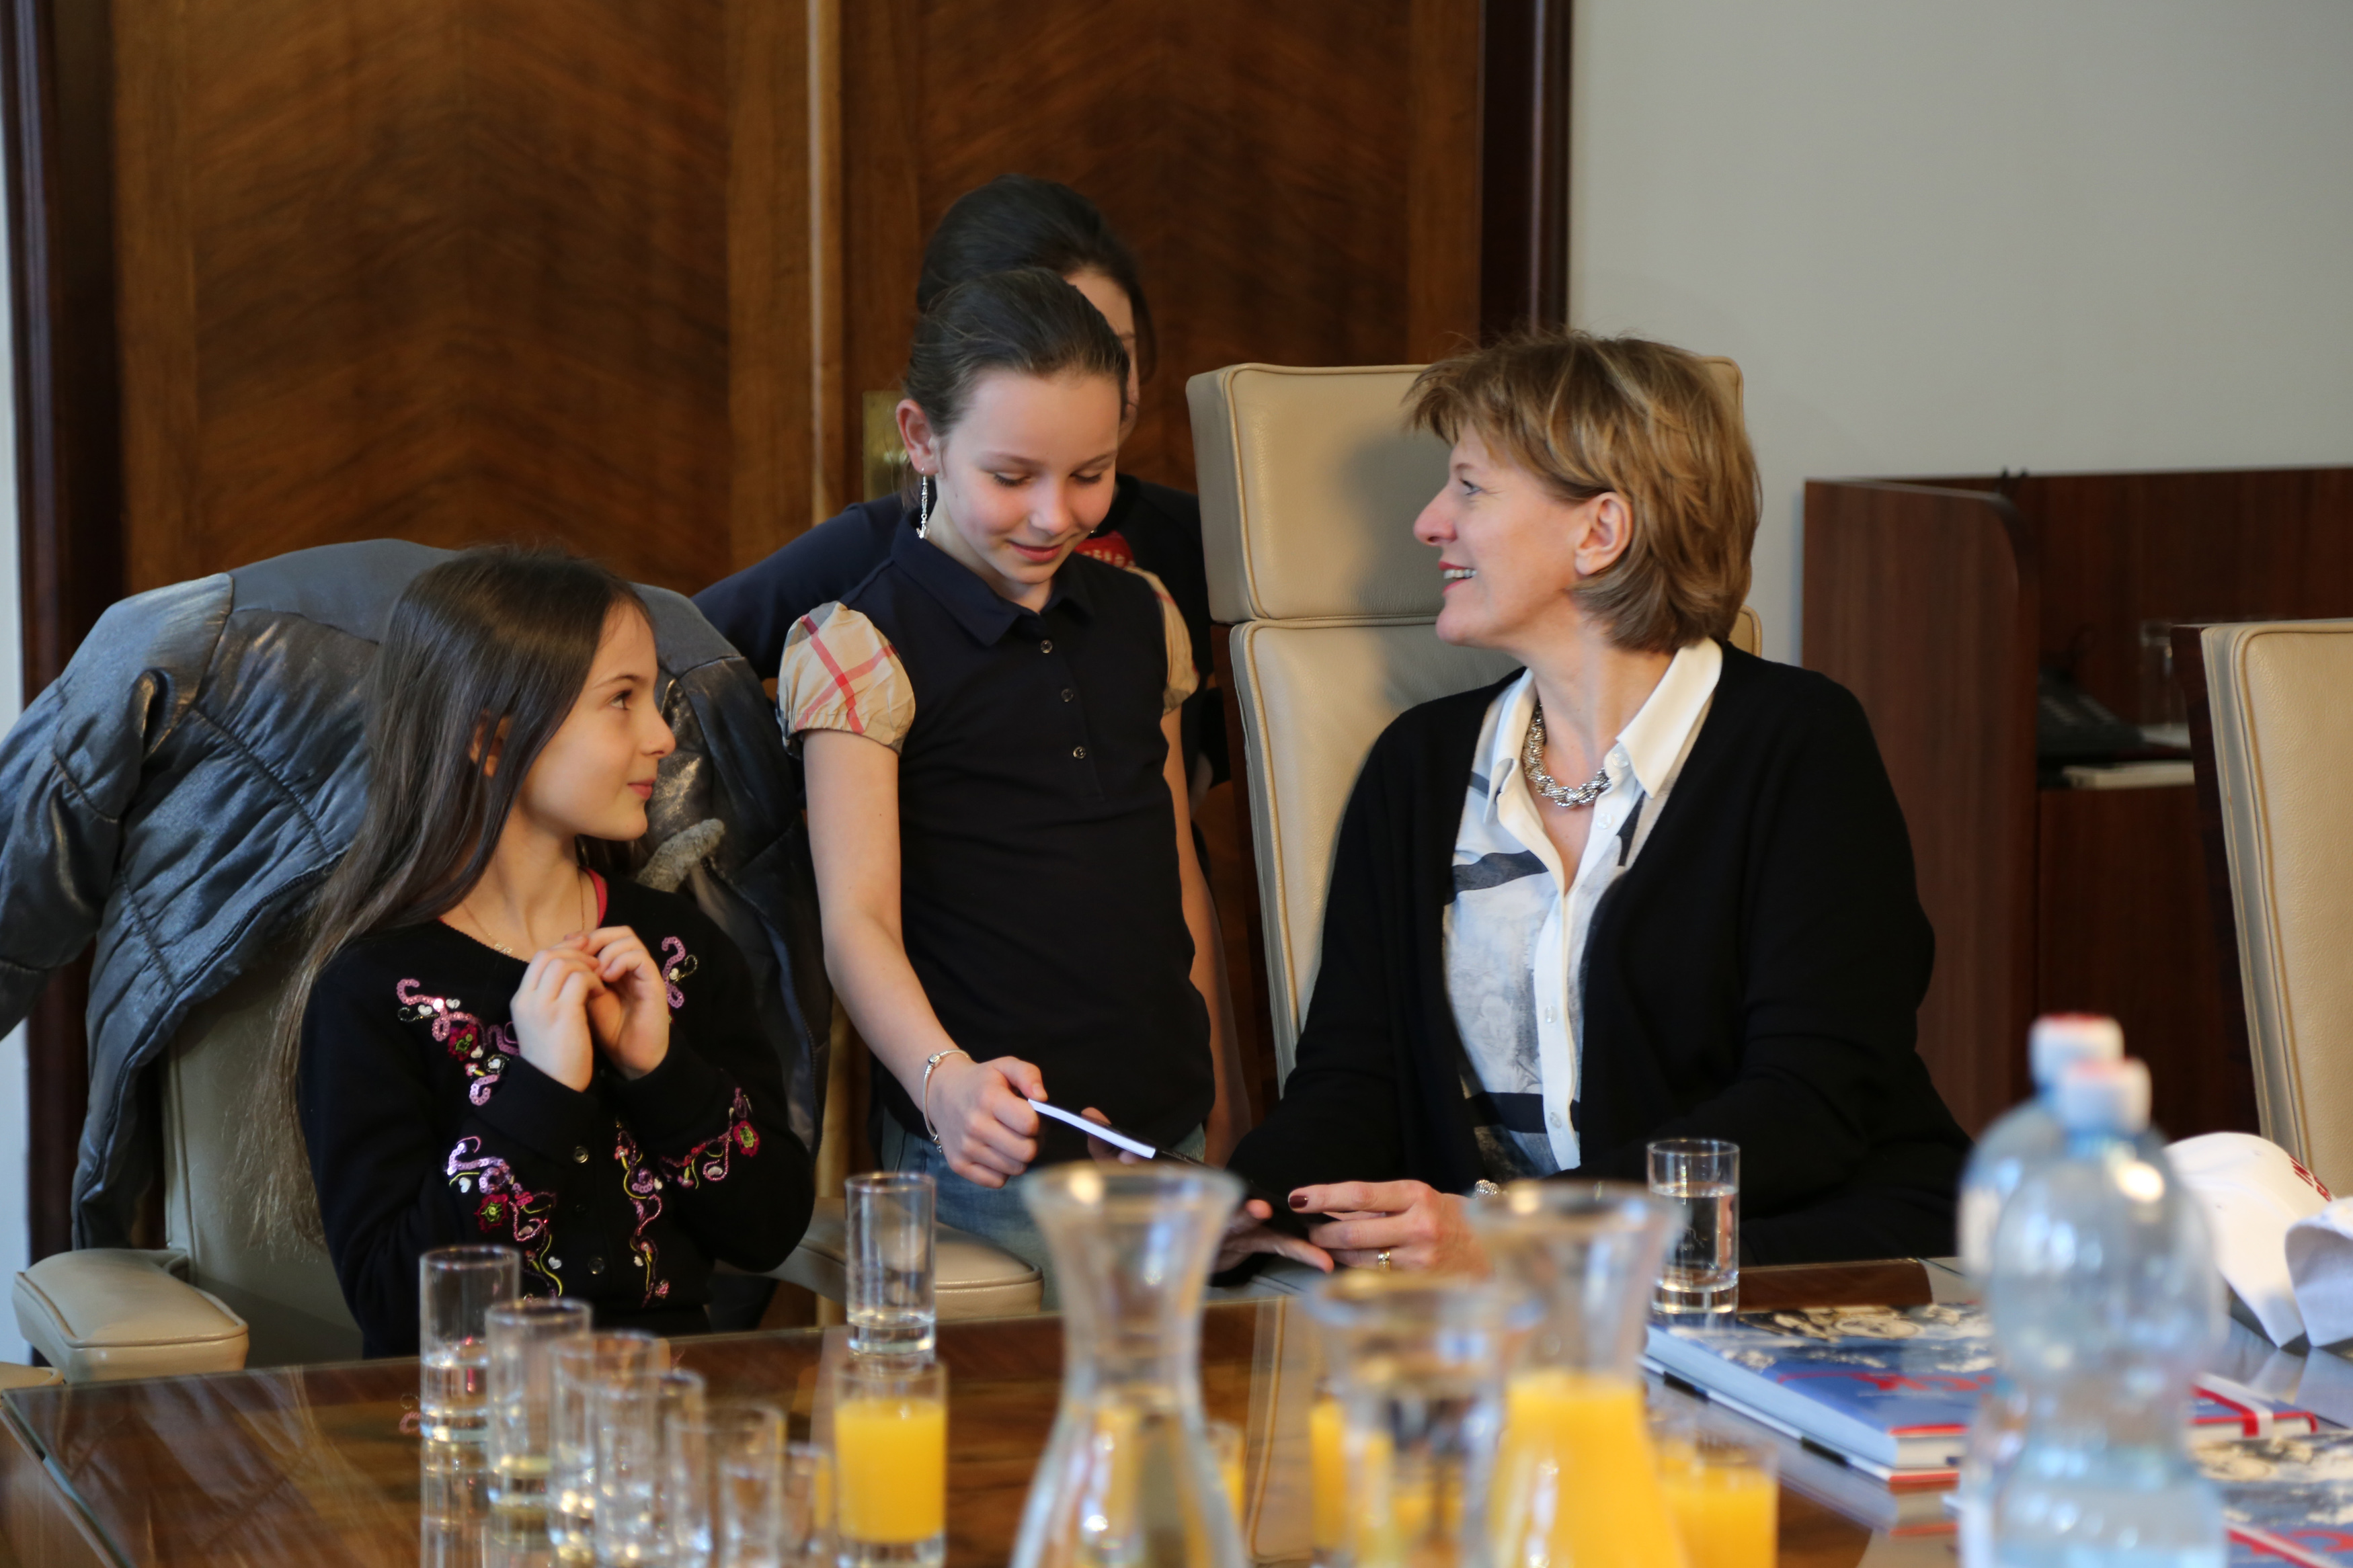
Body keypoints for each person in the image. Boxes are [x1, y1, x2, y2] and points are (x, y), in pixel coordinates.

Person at [1216, 329, 1971, 1278]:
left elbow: (1806, 1106)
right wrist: (1235, 1206)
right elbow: (1352, 1081)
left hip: (1790, 1256)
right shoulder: (1418, 766)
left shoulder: (1799, 743)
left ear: (1601, 530)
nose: (1429, 523)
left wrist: (1522, 1233)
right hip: (1508, 1289)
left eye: (1470, 487)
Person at [785, 268, 1243, 1295]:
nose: (1052, 515)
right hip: (983, 1159)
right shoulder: (859, 647)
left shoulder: (1144, 614)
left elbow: (1172, 869)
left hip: (1166, 1144)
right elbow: (855, 921)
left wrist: (1226, 1091)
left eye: (1091, 474)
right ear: (920, 437)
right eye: (1012, 475)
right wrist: (942, 1082)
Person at [255, 547, 814, 1356]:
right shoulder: (371, 990)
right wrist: (540, 1089)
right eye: (620, 700)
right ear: (491, 738)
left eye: (651, 697)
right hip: (469, 1430)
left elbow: (768, 1229)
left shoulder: (677, 951)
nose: (662, 735)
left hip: (662, 1416)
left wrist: (662, 1072)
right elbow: (392, 1304)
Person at [695, 173, 1225, 804]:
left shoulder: (1193, 536)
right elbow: (673, 650)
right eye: (1039, 348)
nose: (1052, 518)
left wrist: (1200, 762)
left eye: (1112, 350)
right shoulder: (877, 547)